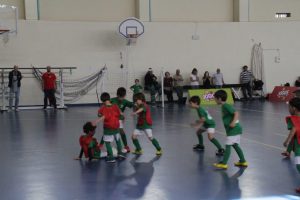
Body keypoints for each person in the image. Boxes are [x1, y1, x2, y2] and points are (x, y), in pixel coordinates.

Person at [213, 90, 248, 169]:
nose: (214, 100)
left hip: (234, 129)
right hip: (234, 130)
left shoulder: (226, 106)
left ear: (219, 98)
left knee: (228, 145)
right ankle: (243, 161)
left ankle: (224, 163)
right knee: (235, 145)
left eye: (215, 98)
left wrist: (233, 122)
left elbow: (236, 113)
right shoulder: (223, 106)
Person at [98, 92, 126, 163]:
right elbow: (120, 115)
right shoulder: (115, 106)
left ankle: (111, 157)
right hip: (116, 127)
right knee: (118, 140)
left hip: (108, 128)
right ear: (109, 98)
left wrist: (100, 113)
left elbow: (99, 115)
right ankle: (120, 153)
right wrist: (122, 117)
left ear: (102, 100)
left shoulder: (103, 108)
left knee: (107, 142)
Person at [280, 98, 300, 193]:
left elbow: (294, 130)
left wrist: (286, 141)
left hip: (299, 147)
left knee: (299, 165)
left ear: (294, 108)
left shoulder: (294, 119)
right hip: (297, 144)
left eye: (289, 107)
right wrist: (288, 150)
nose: (288, 109)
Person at [111, 87, 134, 153]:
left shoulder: (125, 101)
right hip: (112, 119)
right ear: (117, 95)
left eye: (122, 97)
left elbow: (132, 105)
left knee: (121, 132)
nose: (121, 99)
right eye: (119, 97)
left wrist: (137, 104)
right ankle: (101, 145)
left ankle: (126, 145)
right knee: (108, 133)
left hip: (119, 119)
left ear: (124, 96)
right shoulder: (112, 100)